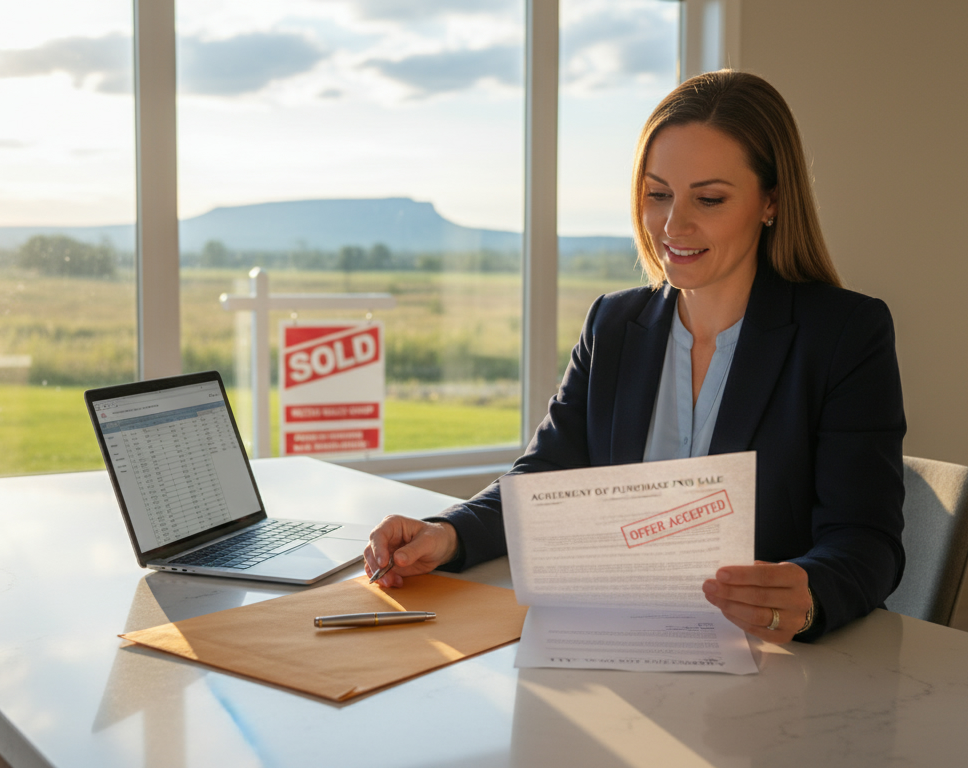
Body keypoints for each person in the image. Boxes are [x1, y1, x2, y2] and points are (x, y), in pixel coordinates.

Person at [364, 70, 906, 643]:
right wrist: (447, 533)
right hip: (620, 647)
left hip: (768, 666)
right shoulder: (614, 325)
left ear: (771, 201)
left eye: (710, 198)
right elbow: (545, 480)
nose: (674, 224)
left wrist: (810, 591)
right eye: (658, 194)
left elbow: (866, 541)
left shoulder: (846, 334)